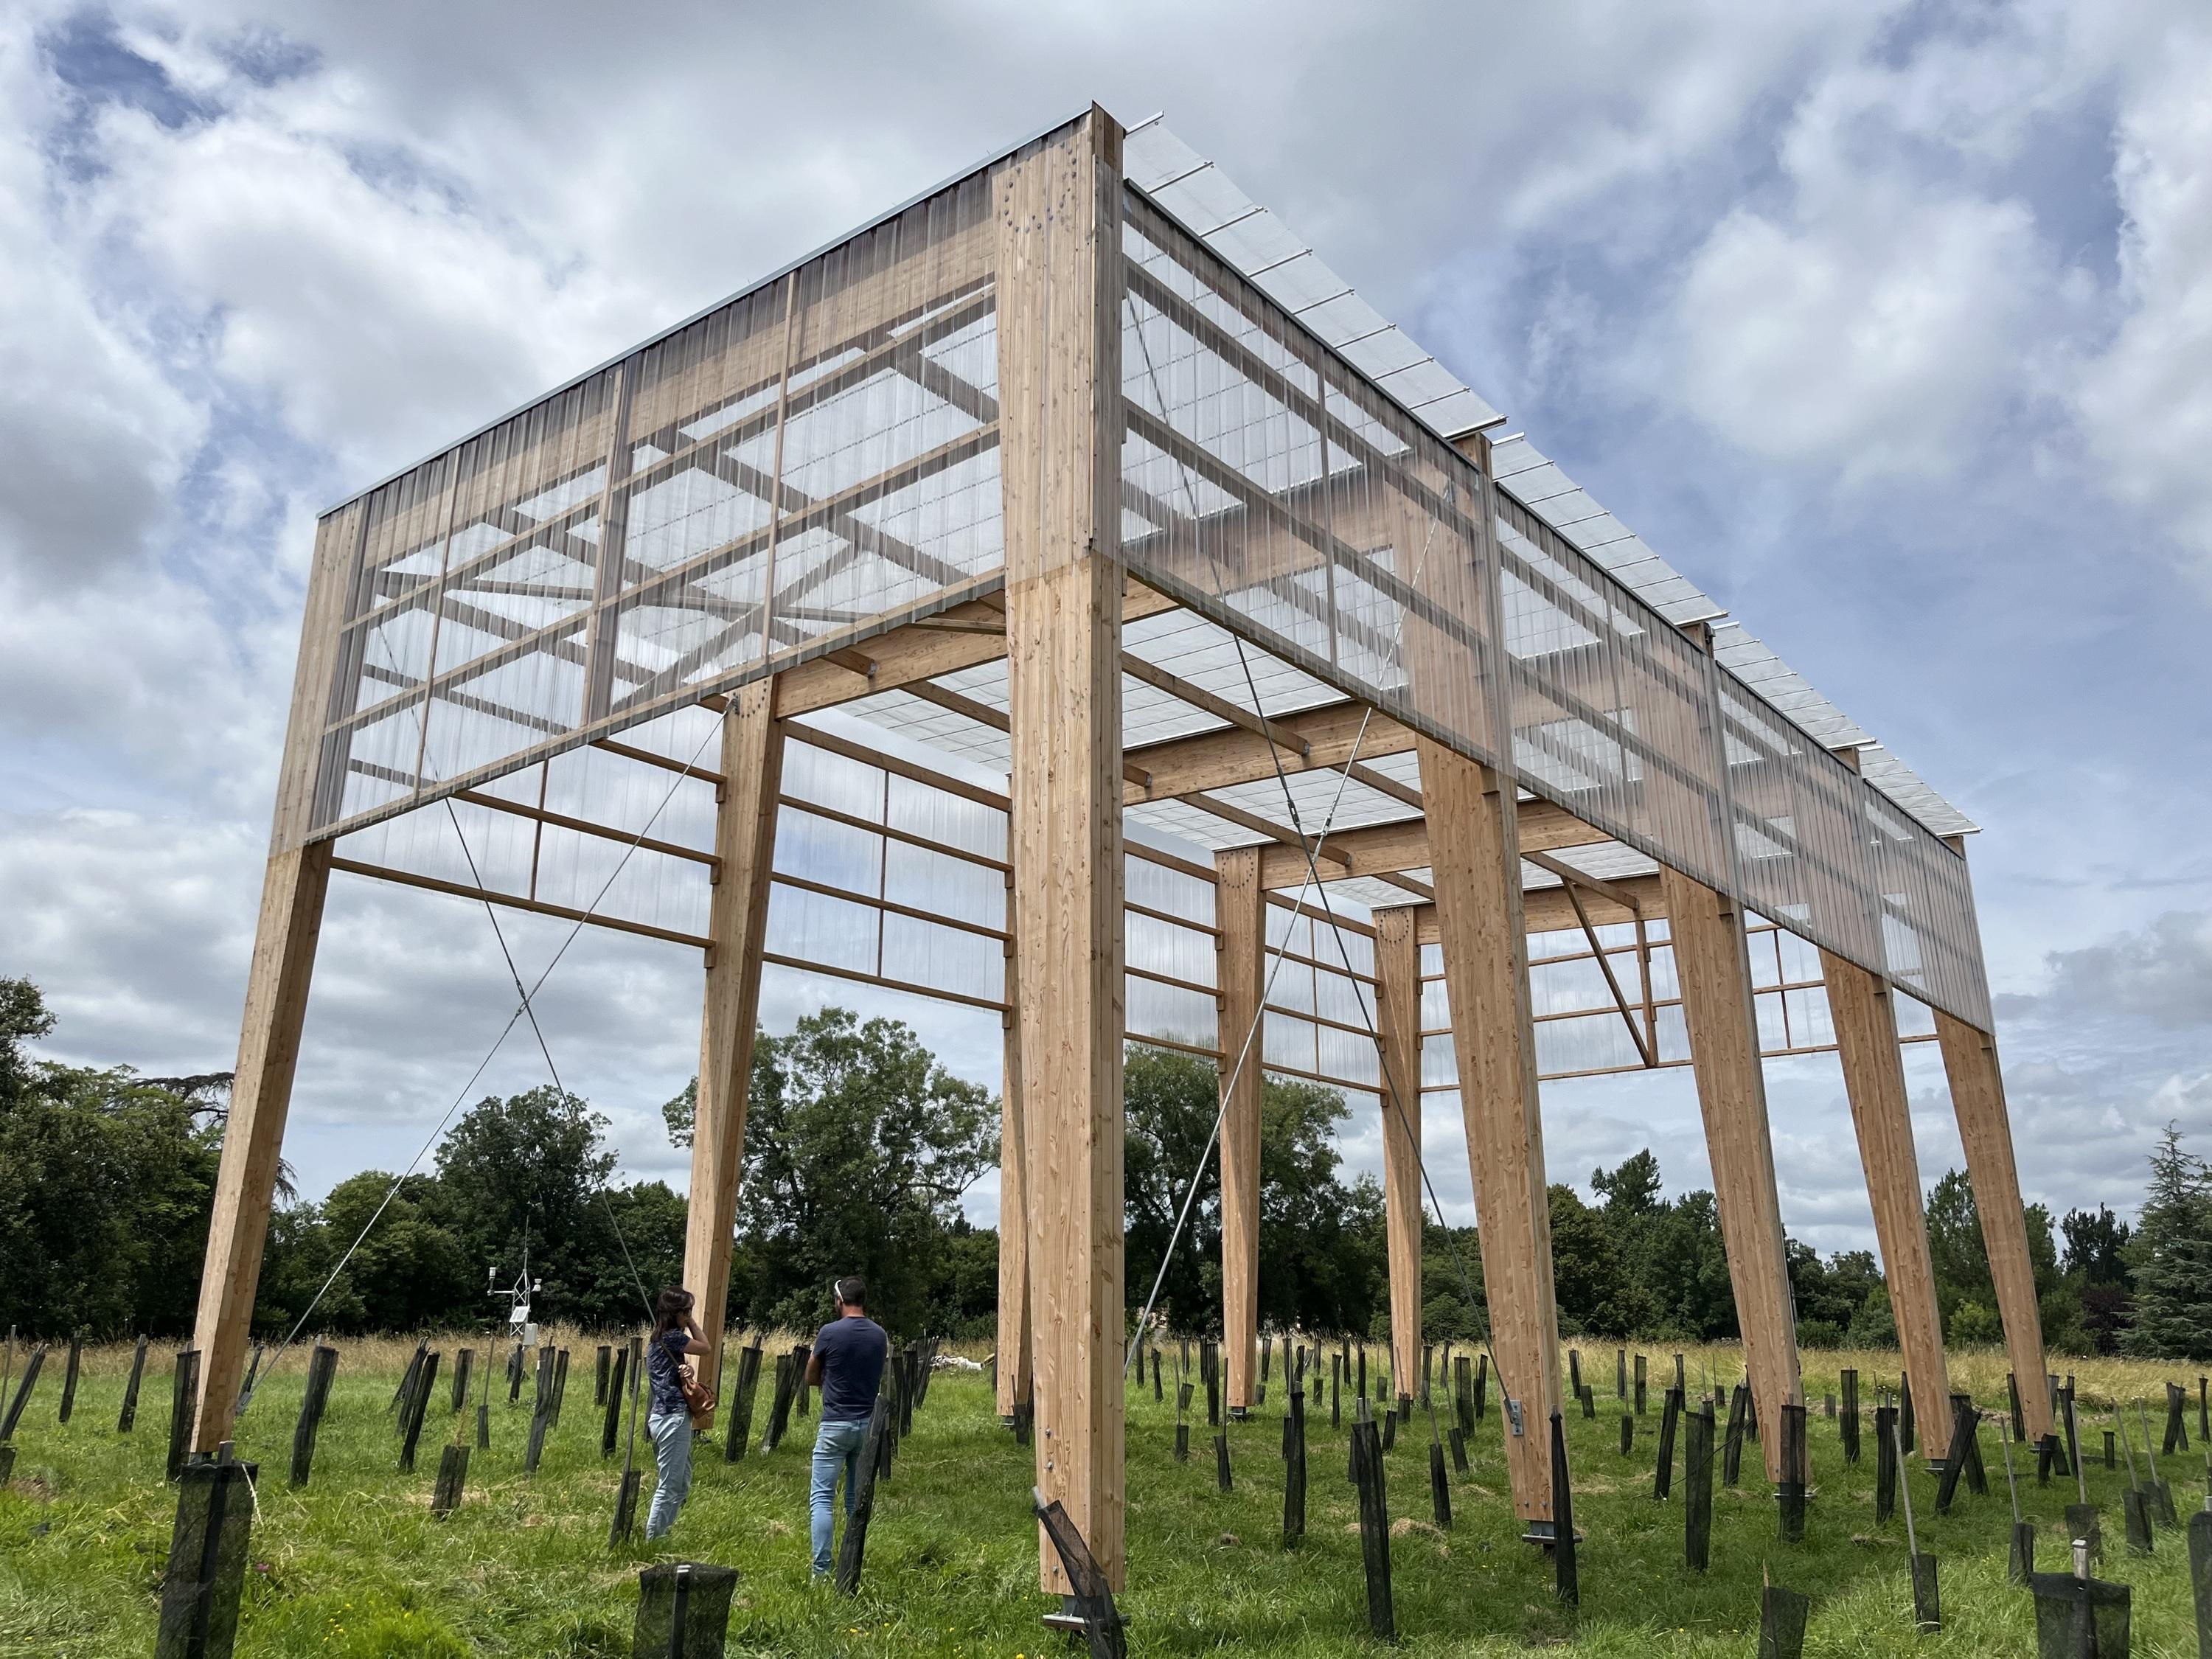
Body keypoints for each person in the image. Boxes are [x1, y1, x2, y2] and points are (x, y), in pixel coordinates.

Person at [806, 1275, 889, 1579]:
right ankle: (851, 1565)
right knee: (855, 1499)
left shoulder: (829, 1332)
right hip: (867, 1425)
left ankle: (821, 1571)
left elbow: (811, 1375)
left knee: (822, 1498)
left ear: (839, 1301)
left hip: (835, 1424)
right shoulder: (879, 1334)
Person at [644, 1286, 707, 1542]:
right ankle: (654, 1539)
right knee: (670, 1485)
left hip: (662, 1417)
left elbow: (669, 1376)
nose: (689, 1315)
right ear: (677, 1313)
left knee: (681, 1483)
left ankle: (662, 1532)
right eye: (687, 1311)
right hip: (673, 1418)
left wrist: (685, 1372)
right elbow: (706, 1347)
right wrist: (692, 1321)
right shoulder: (672, 1337)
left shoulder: (657, 1340)